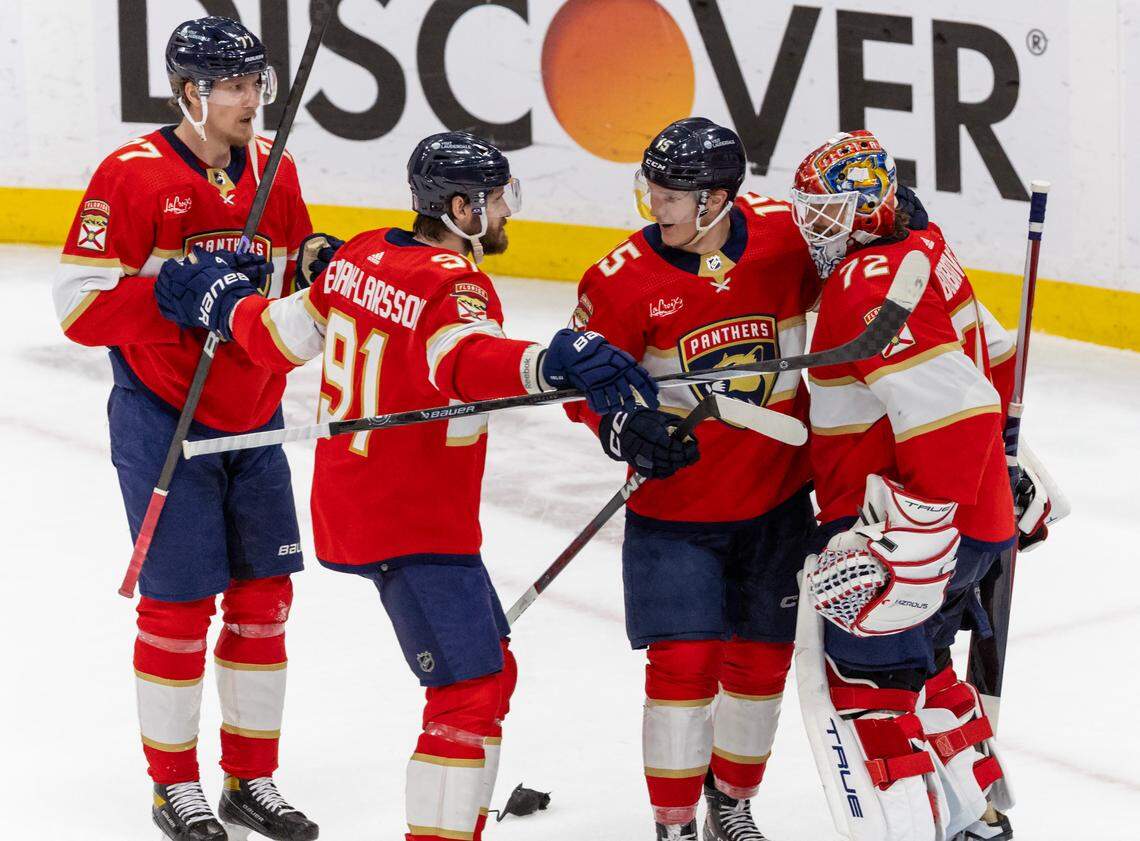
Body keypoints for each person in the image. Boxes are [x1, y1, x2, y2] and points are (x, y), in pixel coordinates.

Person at [151, 130, 659, 841]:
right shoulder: (456, 283)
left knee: (493, 669)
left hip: (355, 506)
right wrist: (555, 362)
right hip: (413, 520)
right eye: (494, 199)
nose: (505, 211)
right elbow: (464, 360)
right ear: (459, 206)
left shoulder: (359, 254)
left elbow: (276, 338)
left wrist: (220, 299)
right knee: (467, 692)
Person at [51, 16, 320, 841]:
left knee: (264, 601)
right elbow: (77, 305)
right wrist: (170, 296)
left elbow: (294, 260)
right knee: (176, 608)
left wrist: (317, 263)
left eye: (255, 84)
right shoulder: (130, 176)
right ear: (189, 92)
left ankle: (251, 777)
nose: (249, 101)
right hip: (164, 420)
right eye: (232, 86)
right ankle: (175, 787)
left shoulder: (276, 170)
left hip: (255, 417)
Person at [564, 118, 822, 841]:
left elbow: (854, 268)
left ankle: (732, 806)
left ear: (717, 200)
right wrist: (621, 426)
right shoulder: (619, 280)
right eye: (651, 187)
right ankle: (674, 824)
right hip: (676, 512)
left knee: (761, 663)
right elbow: (583, 385)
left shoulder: (783, 235)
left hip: (776, 502)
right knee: (683, 665)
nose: (655, 204)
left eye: (672, 194)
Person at [789, 130, 1042, 841]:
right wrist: (1009, 475)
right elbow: (994, 359)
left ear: (870, 206)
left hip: (899, 527)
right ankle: (979, 819)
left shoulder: (865, 283)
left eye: (830, 213)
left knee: (872, 695)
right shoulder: (926, 249)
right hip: (969, 517)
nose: (816, 229)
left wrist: (914, 542)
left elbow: (952, 414)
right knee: (927, 671)